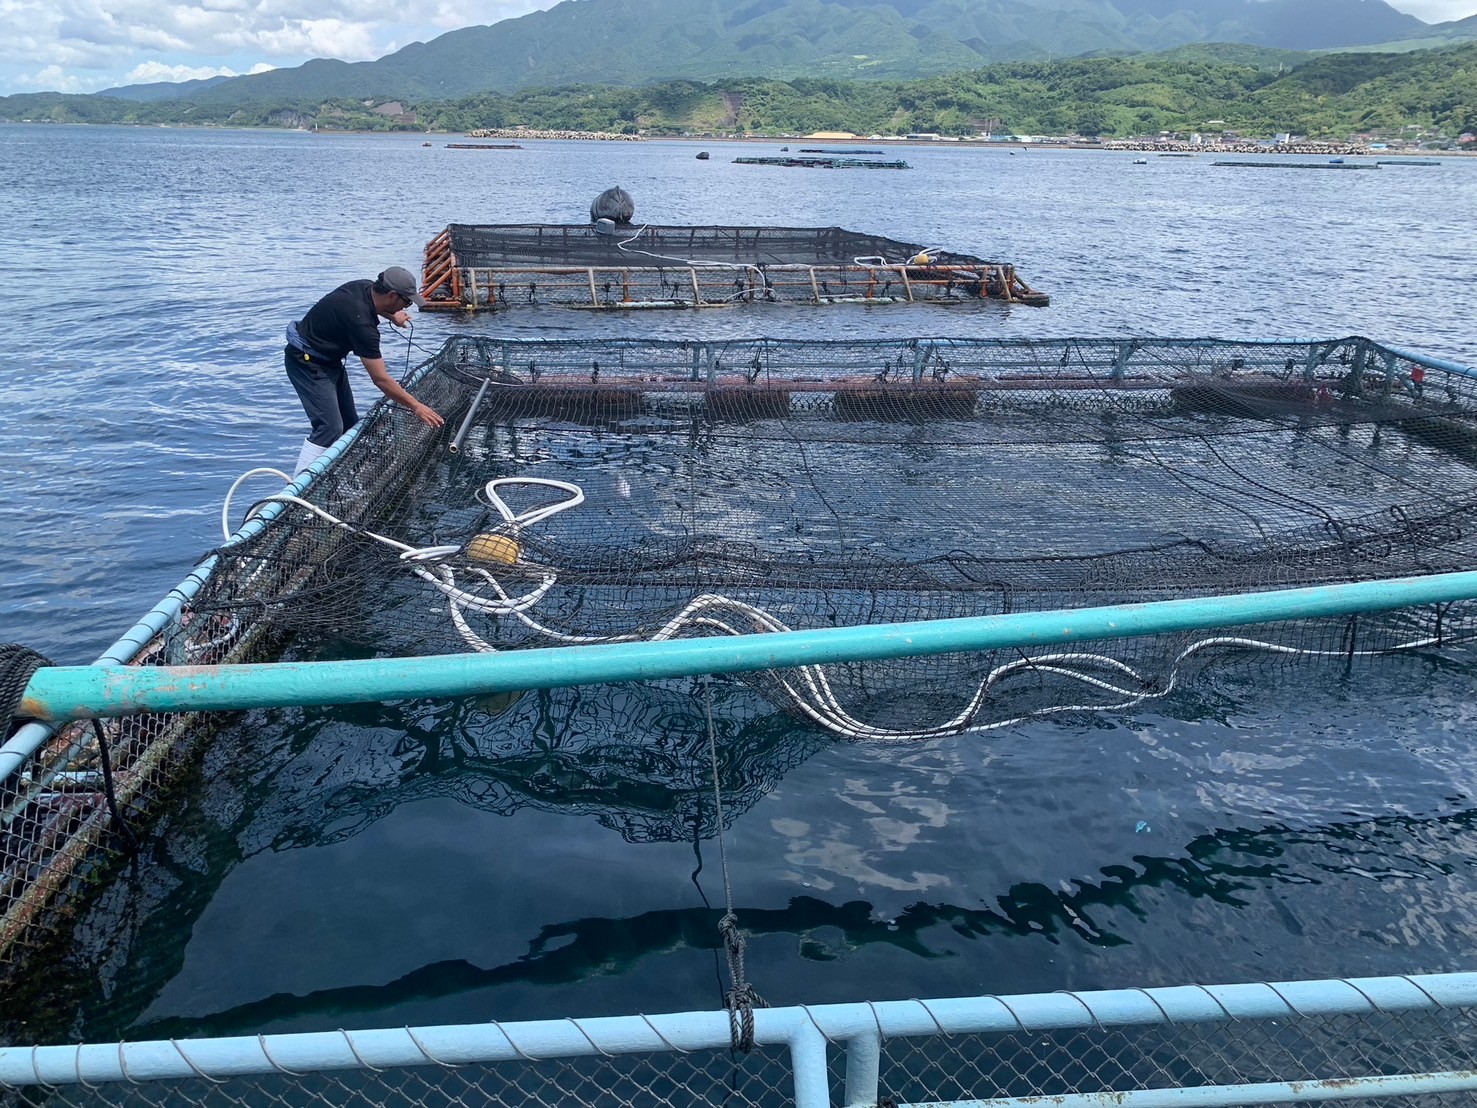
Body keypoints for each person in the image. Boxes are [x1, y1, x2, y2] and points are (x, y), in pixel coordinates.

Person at [285, 265, 445, 475]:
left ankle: (338, 475)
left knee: (349, 424)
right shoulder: (363, 327)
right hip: (306, 362)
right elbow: (380, 379)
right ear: (391, 295)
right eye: (406, 301)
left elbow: (370, 307)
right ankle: (296, 492)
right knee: (329, 427)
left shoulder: (362, 287)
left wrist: (393, 316)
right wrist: (415, 406)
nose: (408, 305)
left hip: (329, 361)